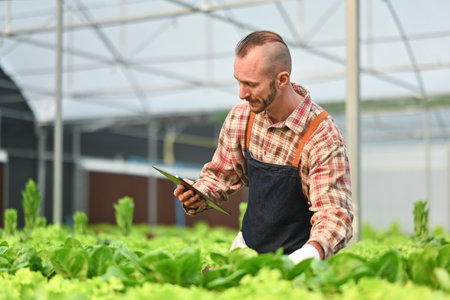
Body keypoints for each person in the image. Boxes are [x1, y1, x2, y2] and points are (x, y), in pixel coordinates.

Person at [174, 30, 353, 263]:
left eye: (251, 84)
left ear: (282, 80)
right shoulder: (243, 116)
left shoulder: (322, 137)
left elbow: (335, 215)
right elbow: (222, 175)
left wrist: (304, 258)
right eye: (238, 82)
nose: (241, 94)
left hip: (299, 261)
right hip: (247, 251)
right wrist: (200, 193)